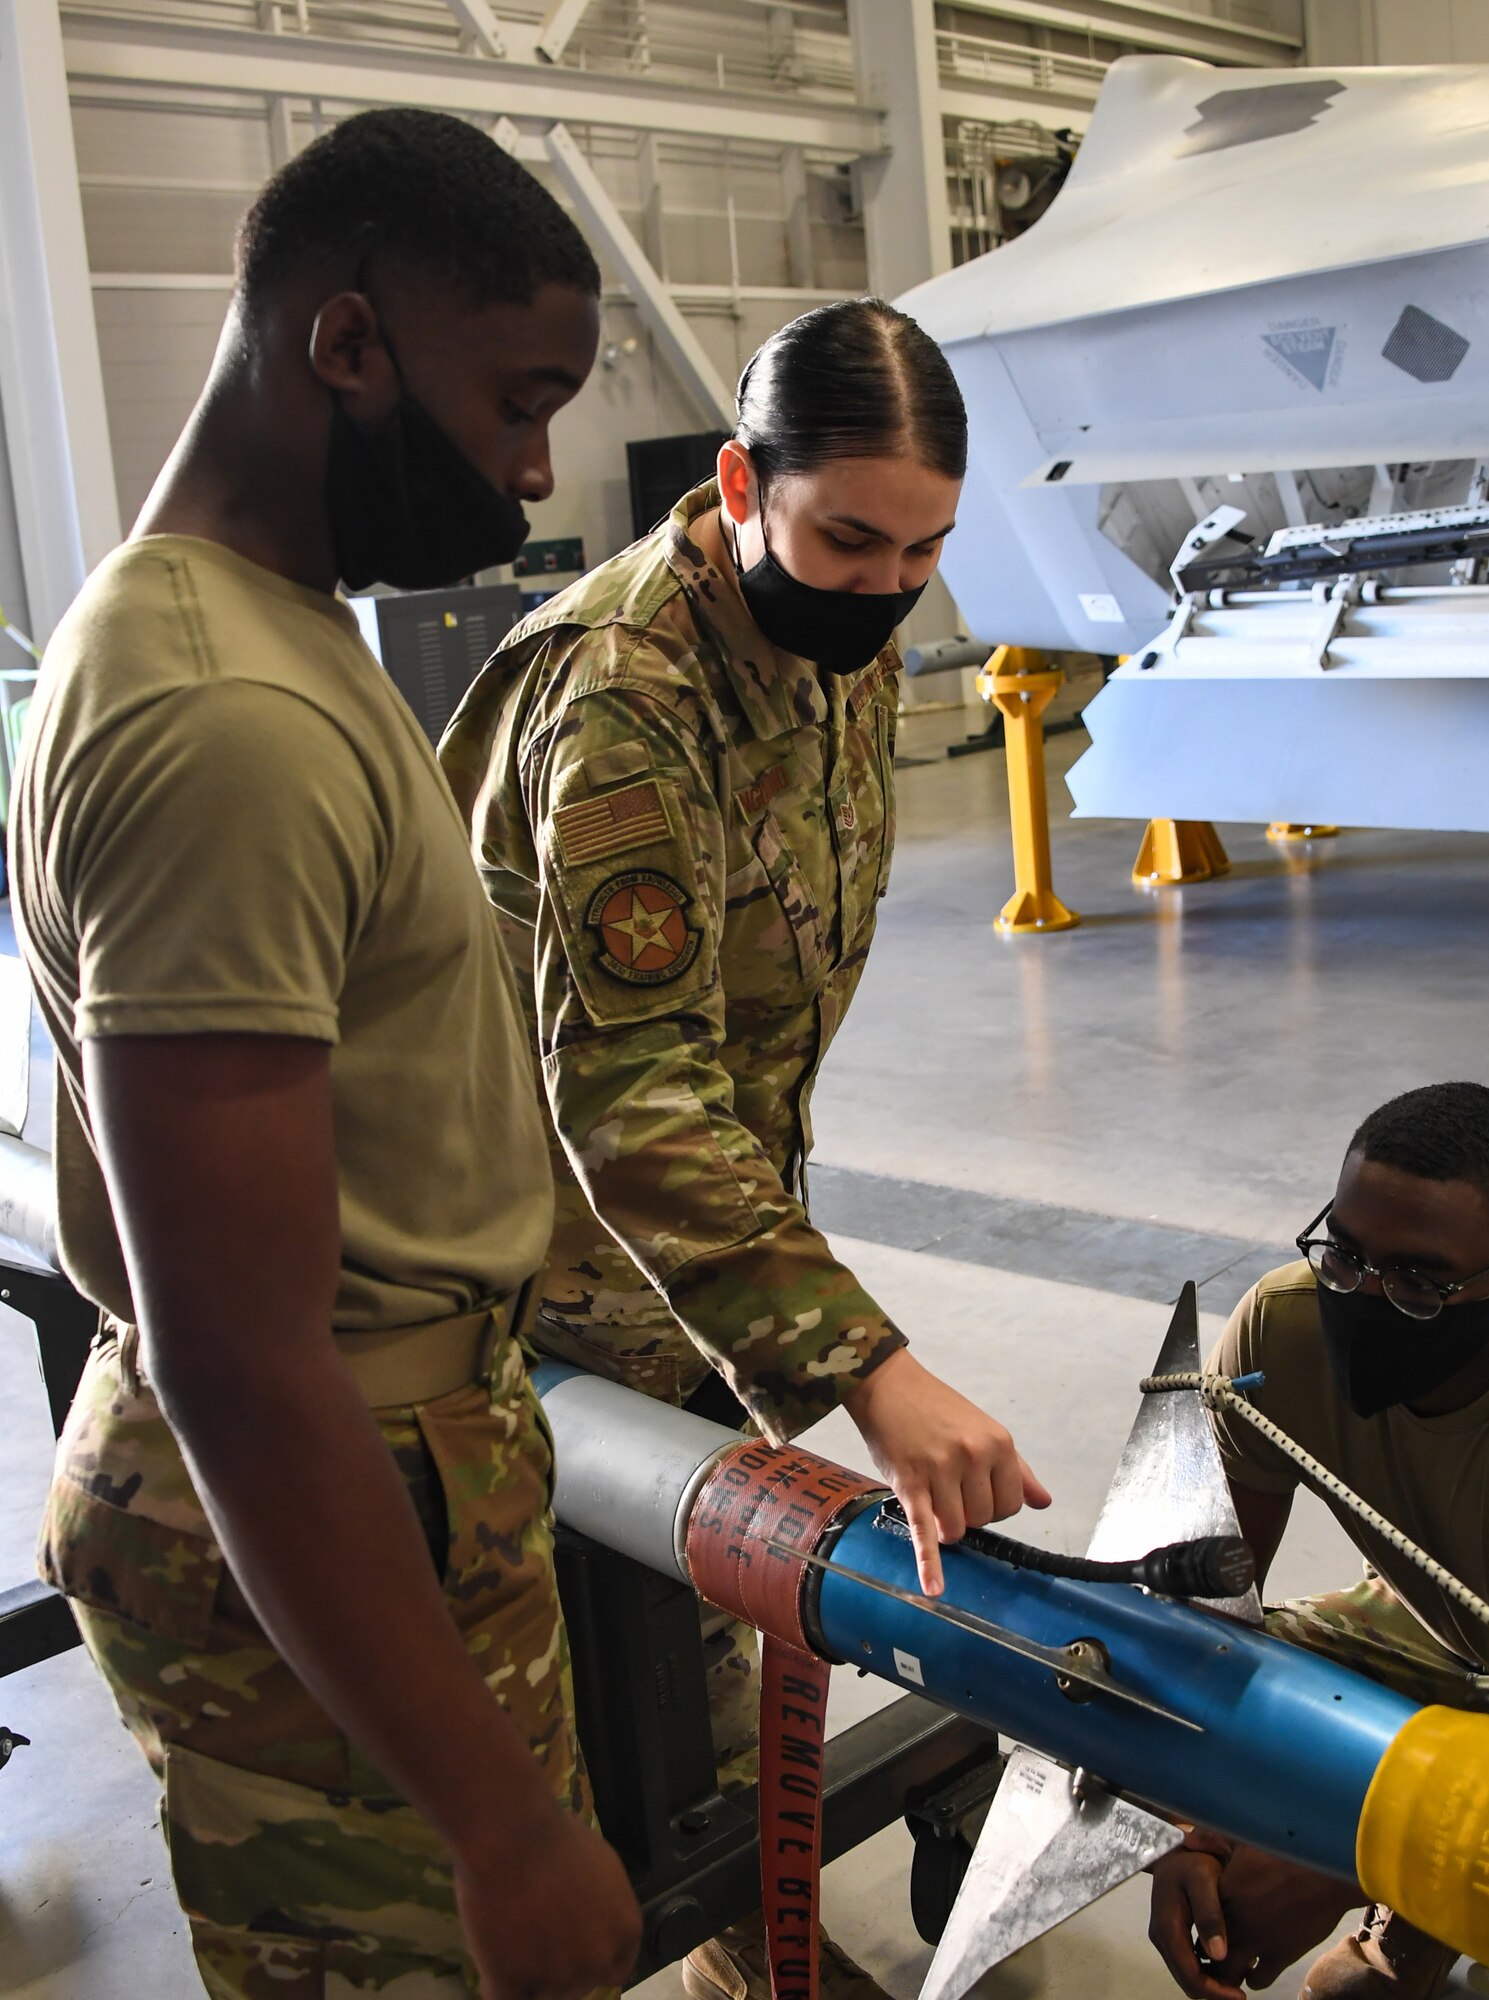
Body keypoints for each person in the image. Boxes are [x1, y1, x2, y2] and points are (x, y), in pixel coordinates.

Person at [8, 109, 643, 2000]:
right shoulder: (228, 716)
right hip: (338, 1485)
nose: (536, 469)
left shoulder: (223, 625)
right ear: (346, 347)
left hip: (377, 1466)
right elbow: (238, 1350)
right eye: (519, 405)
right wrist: (504, 1831)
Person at [440, 298, 1051, 2000]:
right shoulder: (628, 692)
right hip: (501, 1279)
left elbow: (731, 1053)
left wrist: (768, 1311)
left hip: (681, 1270)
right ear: (737, 483)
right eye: (848, 537)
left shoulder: (825, 652)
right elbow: (624, 1093)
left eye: (923, 549)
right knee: (522, 1741)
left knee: (698, 1670)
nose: (884, 585)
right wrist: (866, 1365)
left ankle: (732, 1931)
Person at [1147, 1082, 1489, 2000]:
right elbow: (1201, 1628)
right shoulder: (1284, 1326)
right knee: (1130, 1676)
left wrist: (1350, 1858)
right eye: (1345, 1256)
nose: (1365, 1297)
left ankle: (1426, 1916)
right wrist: (1194, 1827)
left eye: (1423, 1281)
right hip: (1436, 1633)